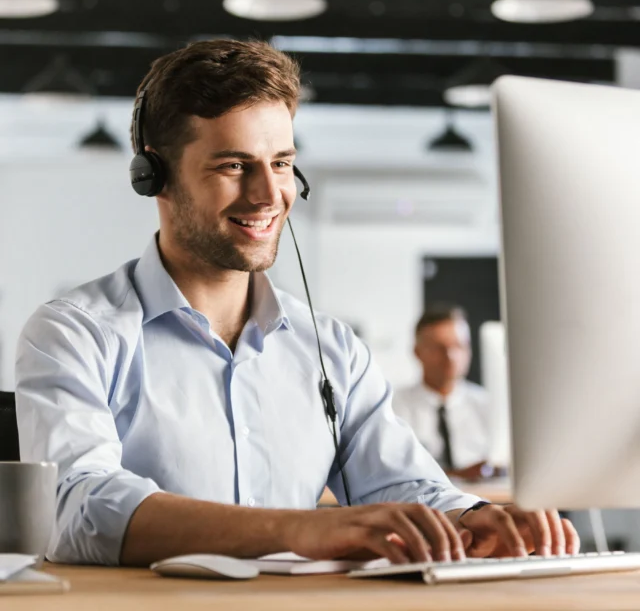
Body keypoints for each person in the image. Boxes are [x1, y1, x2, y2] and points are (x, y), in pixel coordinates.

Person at [15, 40, 578, 568]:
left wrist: (474, 516)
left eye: (281, 163)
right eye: (234, 166)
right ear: (153, 175)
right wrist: (294, 530)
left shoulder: (329, 347)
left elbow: (399, 482)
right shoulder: (75, 334)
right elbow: (78, 506)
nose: (268, 195)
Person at [394, 304, 496, 481]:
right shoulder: (394, 407)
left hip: (485, 501)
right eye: (438, 348)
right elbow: (394, 470)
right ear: (417, 352)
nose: (450, 357)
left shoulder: (489, 406)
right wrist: (457, 476)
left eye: (458, 346)